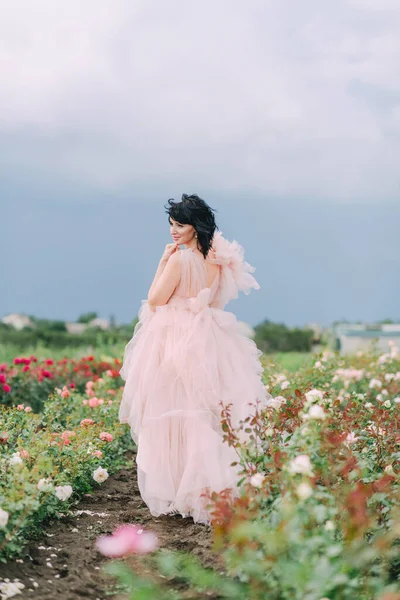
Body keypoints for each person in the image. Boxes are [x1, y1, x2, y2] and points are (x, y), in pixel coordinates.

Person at [118, 193, 269, 525]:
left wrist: (161, 262)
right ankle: (200, 490)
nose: (173, 230)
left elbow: (157, 299)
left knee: (170, 413)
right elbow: (213, 300)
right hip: (207, 337)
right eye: (171, 224)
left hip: (174, 338)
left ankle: (177, 490)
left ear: (194, 226)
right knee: (199, 413)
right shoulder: (215, 260)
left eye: (180, 224)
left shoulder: (179, 259)